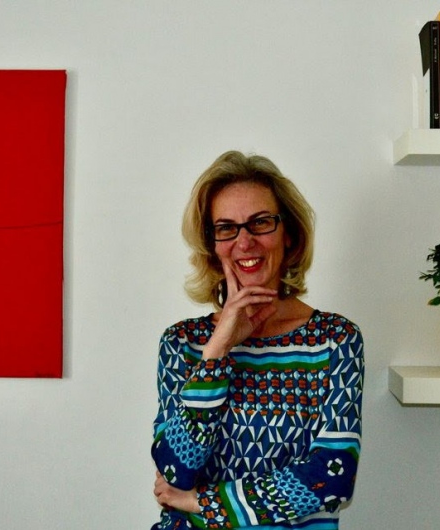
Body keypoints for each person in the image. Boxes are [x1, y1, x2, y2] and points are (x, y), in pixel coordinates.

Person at [151, 151, 364, 529]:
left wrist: (201, 502)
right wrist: (217, 351)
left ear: (289, 235)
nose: (245, 241)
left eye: (260, 222)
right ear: (213, 247)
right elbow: (175, 471)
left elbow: (332, 476)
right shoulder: (183, 343)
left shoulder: (335, 340)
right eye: (226, 228)